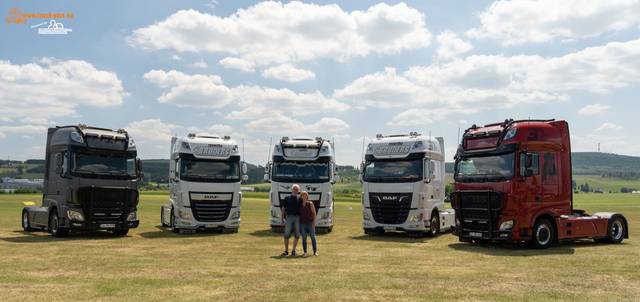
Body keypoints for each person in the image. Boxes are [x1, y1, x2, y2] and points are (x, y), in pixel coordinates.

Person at [281, 184, 300, 256]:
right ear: (292, 190)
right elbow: (283, 209)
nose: (295, 190)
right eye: (294, 189)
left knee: (297, 234)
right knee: (286, 234)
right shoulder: (287, 198)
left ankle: (293, 250)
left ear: (298, 191)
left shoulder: (299, 199)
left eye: (296, 189)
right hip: (288, 217)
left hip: (297, 218)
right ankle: (286, 250)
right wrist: (282, 219)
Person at [299, 191, 318, 256]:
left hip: (310, 222)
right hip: (302, 223)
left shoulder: (310, 203)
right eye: (302, 195)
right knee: (304, 237)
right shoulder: (300, 204)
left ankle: (315, 252)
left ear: (307, 196)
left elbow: (314, 213)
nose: (304, 196)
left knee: (313, 237)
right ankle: (305, 251)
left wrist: (314, 222)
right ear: (301, 197)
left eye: (305, 195)